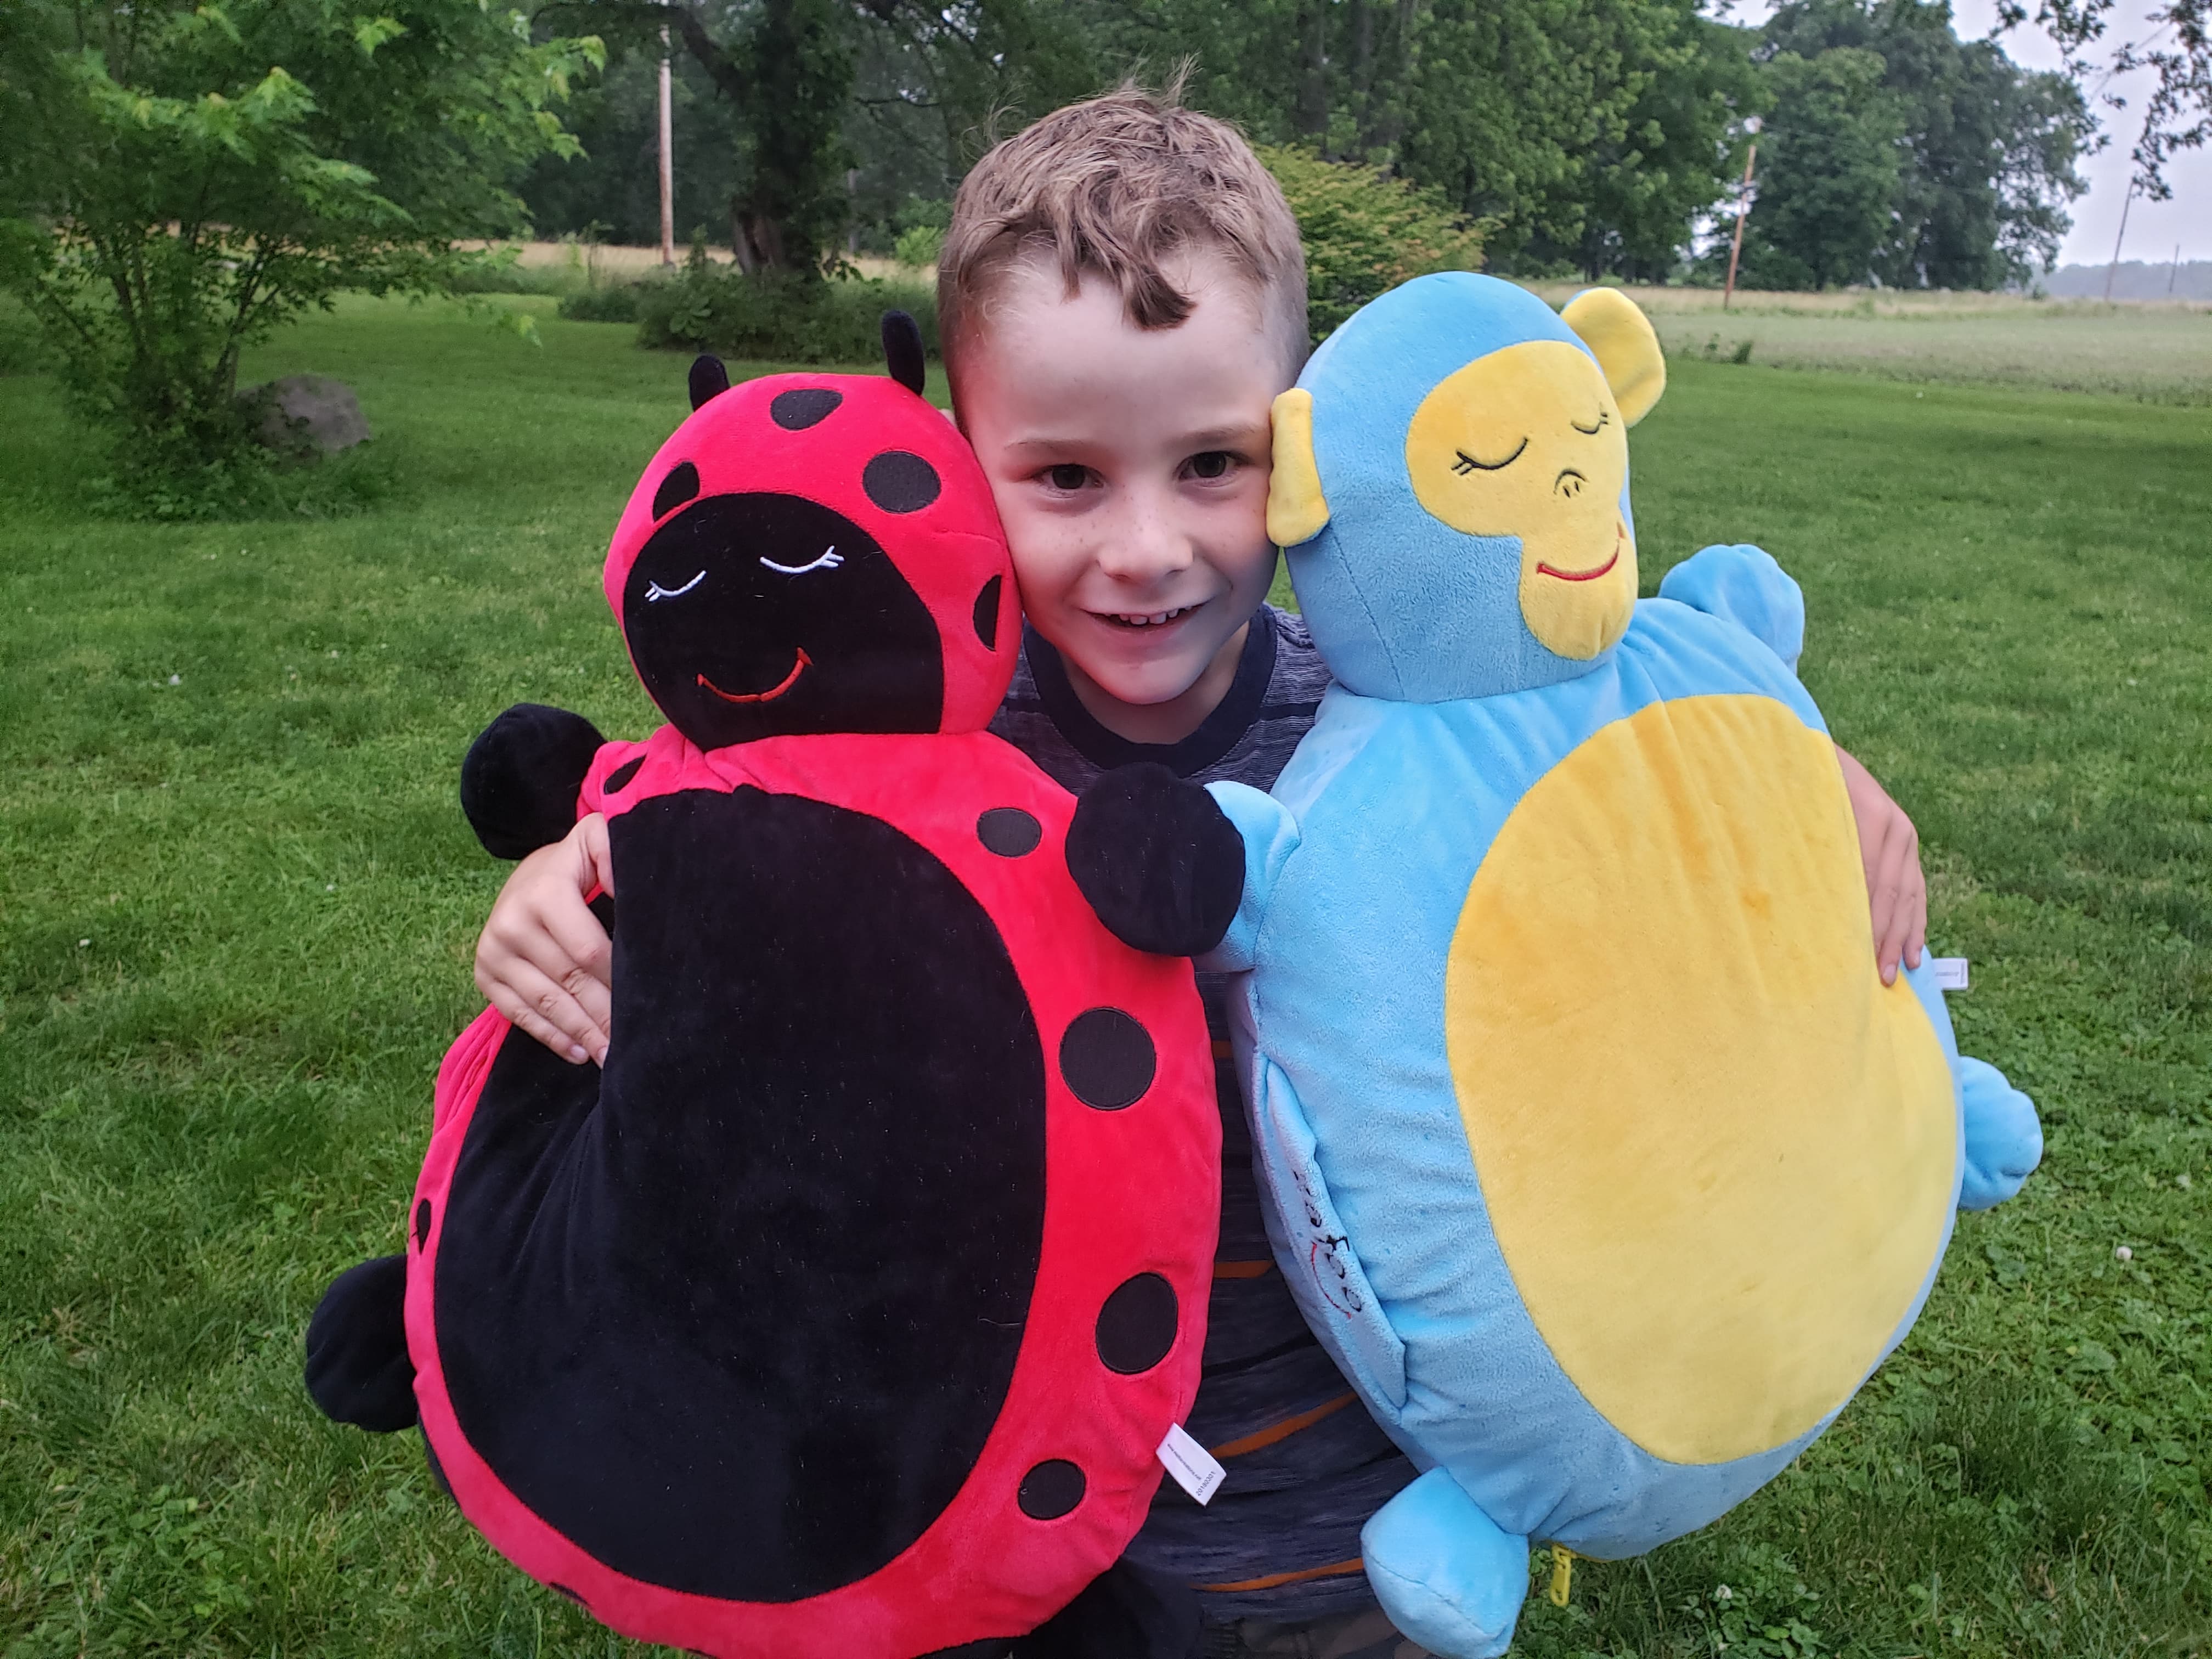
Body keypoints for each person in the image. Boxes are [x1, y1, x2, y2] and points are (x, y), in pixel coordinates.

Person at [469, 83, 1931, 1659]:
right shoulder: (901, 754)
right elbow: (718, 830)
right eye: (1067, 478)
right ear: (964, 461)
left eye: (1213, 465)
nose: (1148, 547)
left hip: (1345, 1529)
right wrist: (571, 883)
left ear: (1297, 443)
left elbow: (1633, 769)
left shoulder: (1400, 731)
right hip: (979, 1518)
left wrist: (1805, 783)